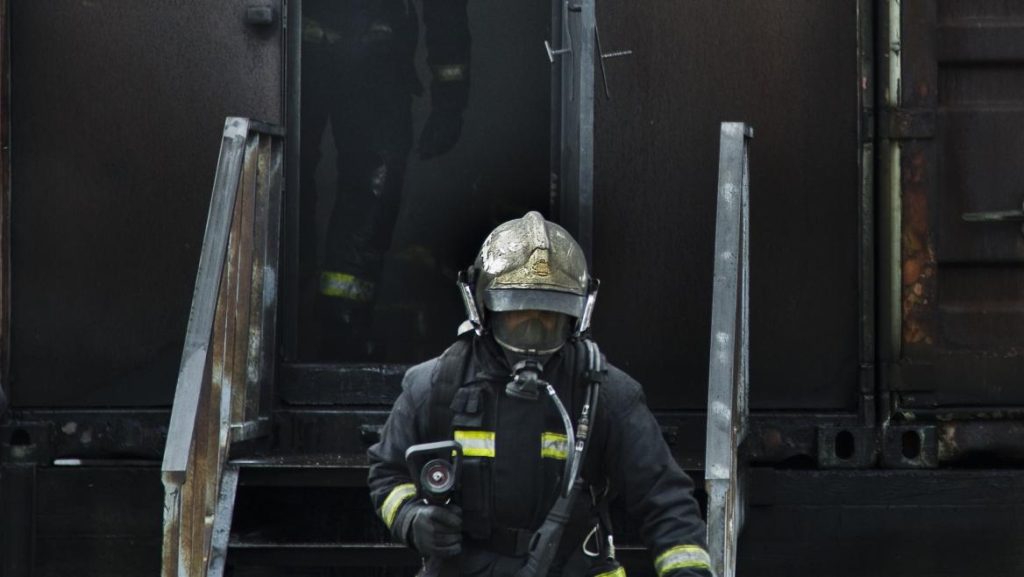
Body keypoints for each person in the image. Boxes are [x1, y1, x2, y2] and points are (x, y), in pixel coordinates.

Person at [367, 212, 713, 577]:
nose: (533, 332)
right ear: (482, 308)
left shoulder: (606, 395)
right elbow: (387, 473)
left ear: (576, 317)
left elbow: (666, 502)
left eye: (549, 317)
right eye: (518, 314)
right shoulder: (434, 386)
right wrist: (410, 517)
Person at [300, 0, 470, 358]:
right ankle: (294, 315)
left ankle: (341, 332)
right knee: (285, 183)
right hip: (301, 50)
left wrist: (450, 95)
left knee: (373, 191)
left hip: (376, 58)